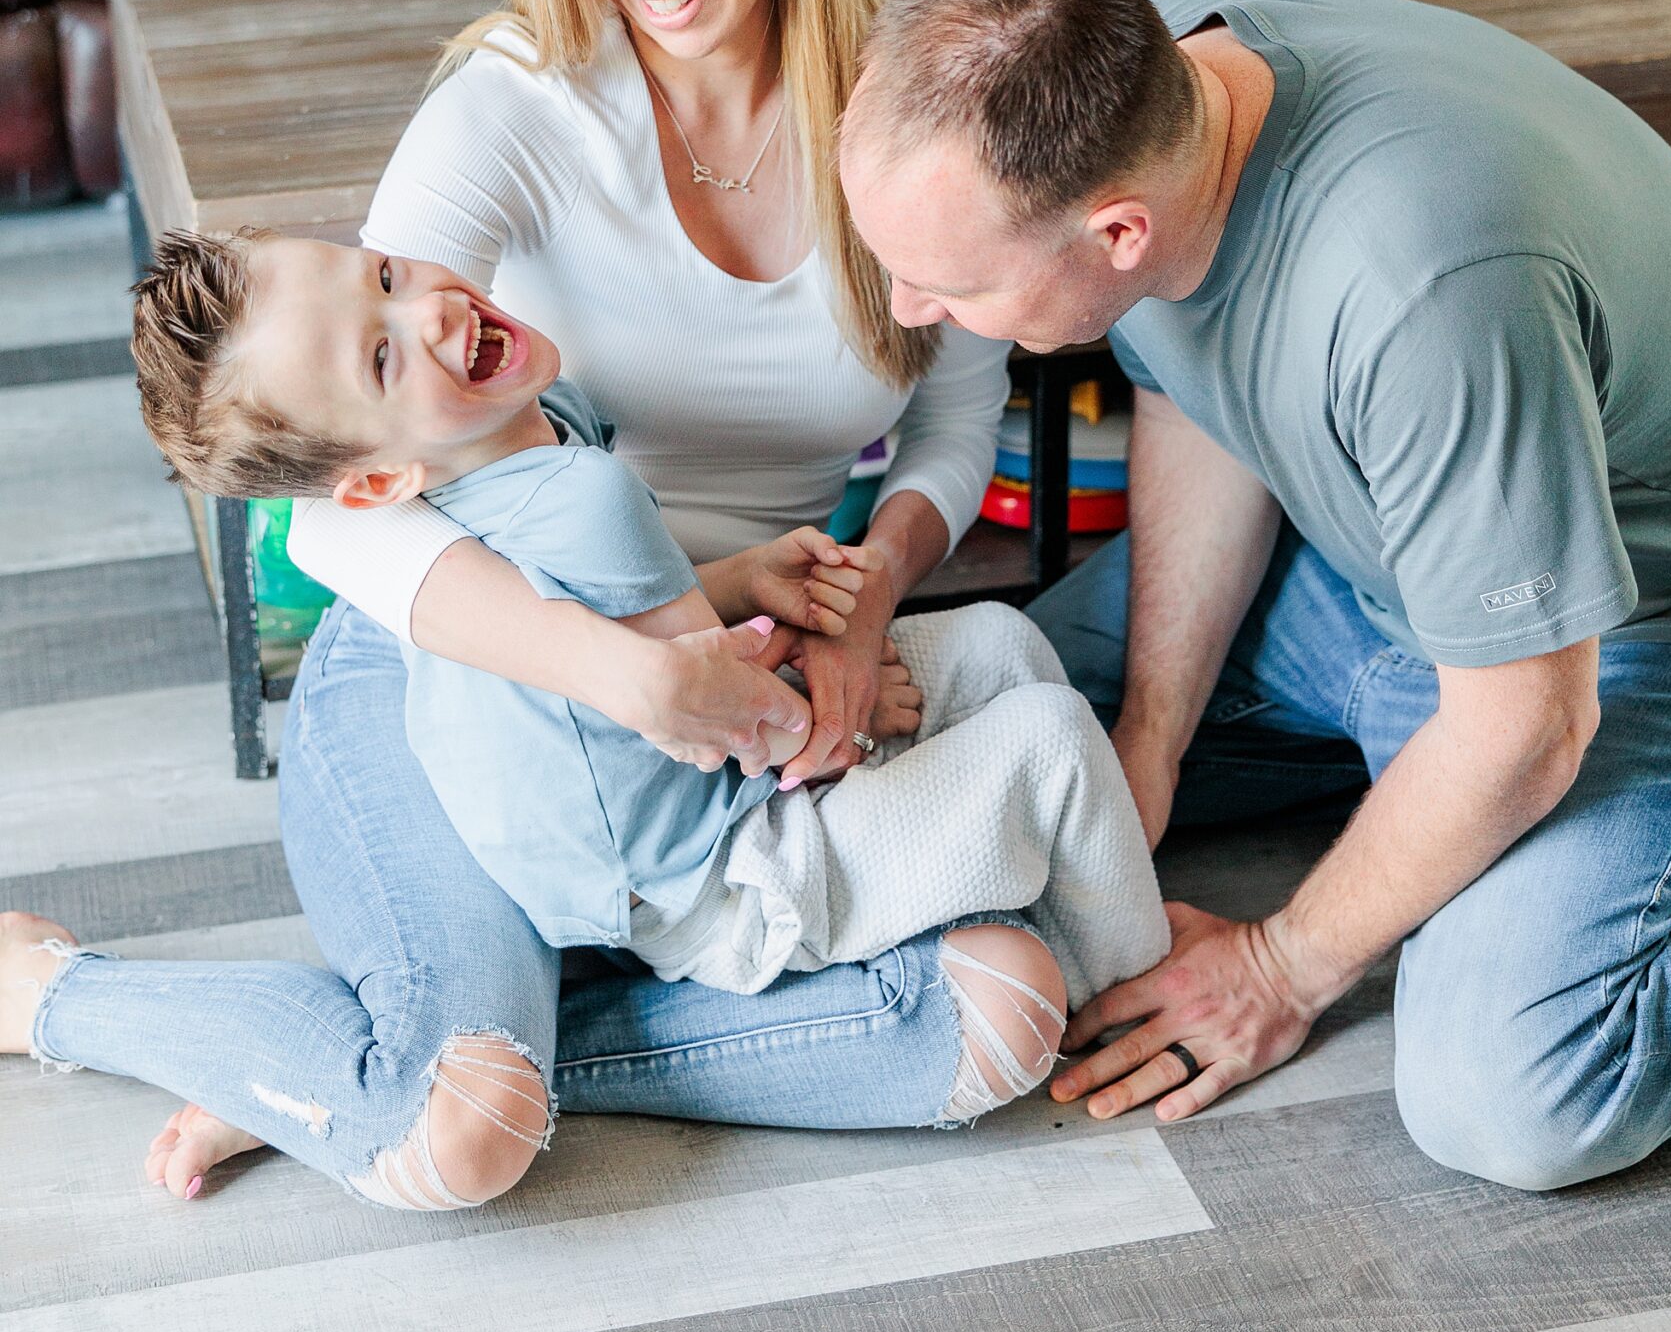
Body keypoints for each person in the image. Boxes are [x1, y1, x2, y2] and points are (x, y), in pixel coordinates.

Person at [0, 0, 1039, 1208]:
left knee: (1000, 1008)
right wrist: (634, 673)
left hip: (735, 712)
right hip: (461, 681)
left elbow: (962, 400)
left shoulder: (898, 92)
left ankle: (392, 1063)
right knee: (458, 1145)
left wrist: (865, 589)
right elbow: (340, 509)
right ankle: (56, 998)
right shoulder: (520, 98)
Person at [839, 0, 1671, 1192]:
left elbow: (1526, 720)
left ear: (1117, 233)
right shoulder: (1150, 67)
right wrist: (1151, 733)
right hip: (1377, 566)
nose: (910, 309)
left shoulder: (1432, 283)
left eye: (942, 281)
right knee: (952, 706)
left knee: (1515, 1091)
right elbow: (1208, 394)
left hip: (1630, 632)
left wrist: (1280, 964)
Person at [130, 228, 1162, 1033]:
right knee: (1054, 744)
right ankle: (1134, 993)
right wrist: (837, 715)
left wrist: (732, 581)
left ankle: (1035, 910)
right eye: (384, 358)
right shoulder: (581, 494)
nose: (434, 309)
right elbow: (750, 730)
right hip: (725, 878)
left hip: (615, 849)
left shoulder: (528, 435)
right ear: (379, 480)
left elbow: (632, 637)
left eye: (388, 276)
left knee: (998, 643)